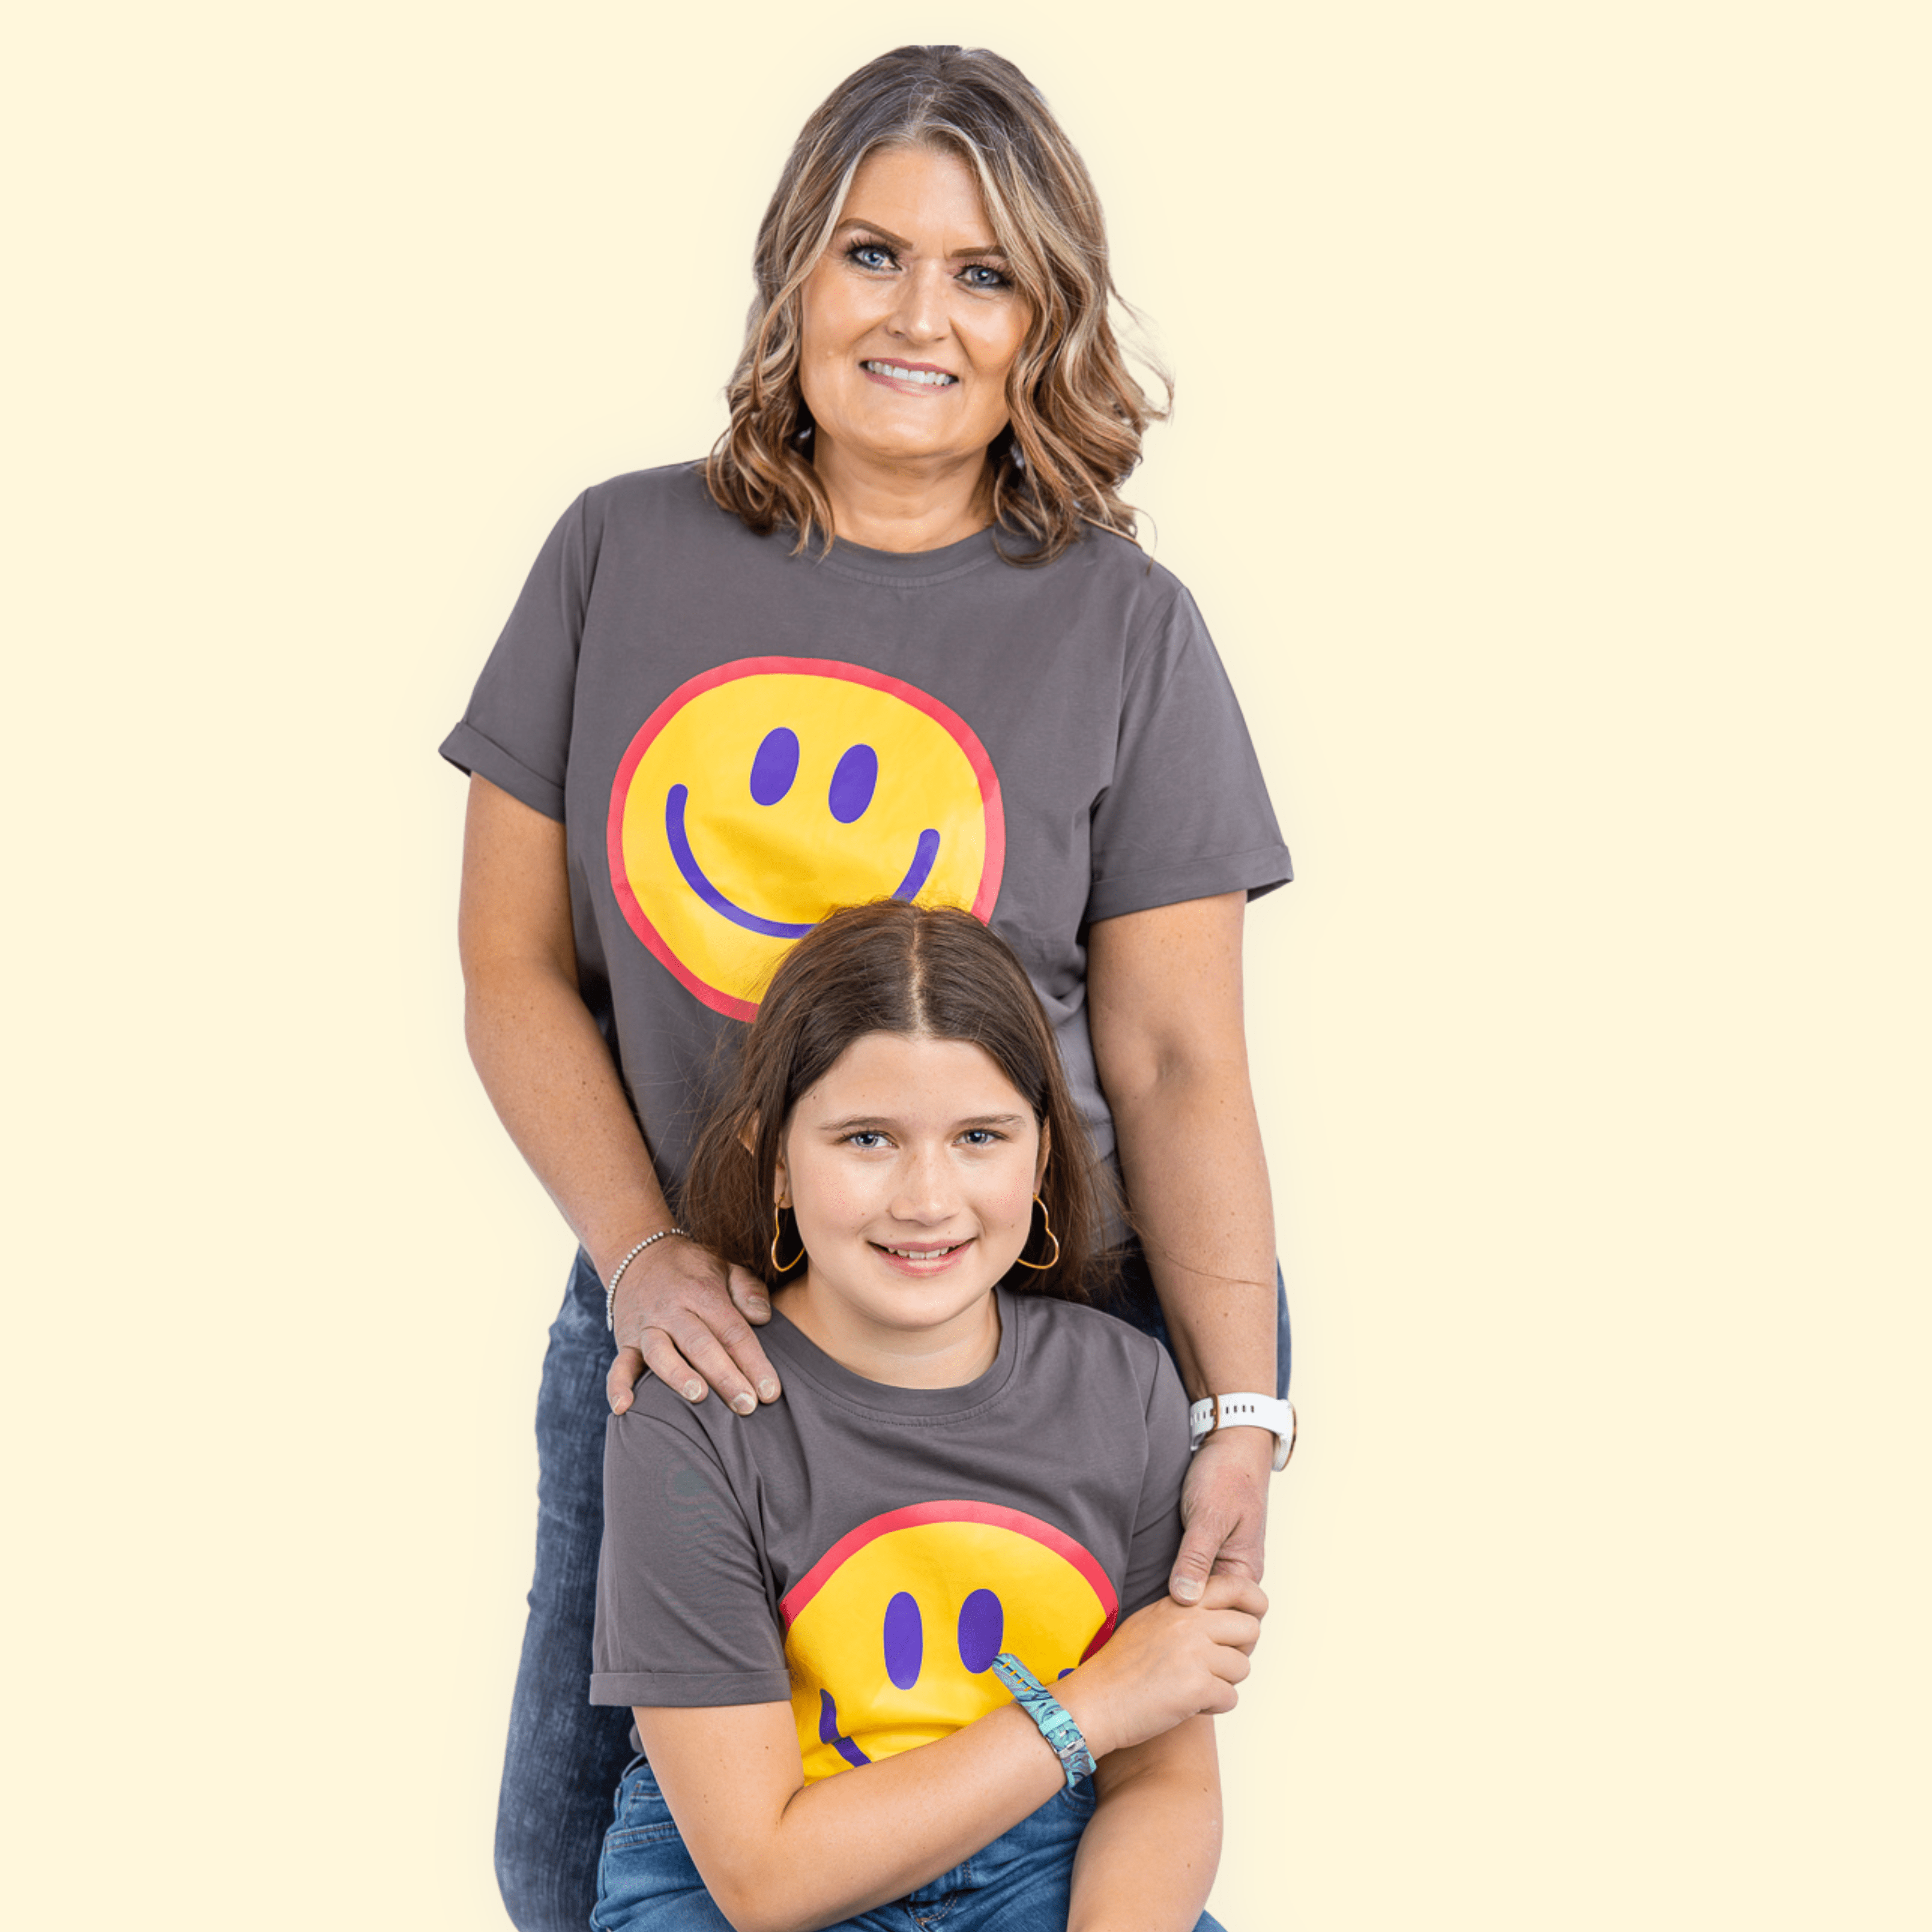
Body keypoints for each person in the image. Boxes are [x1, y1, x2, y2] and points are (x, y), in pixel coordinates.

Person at [445, 44, 1294, 1932]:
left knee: (1065, 1831)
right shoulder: (618, 553)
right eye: (871, 254)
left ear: (1044, 319)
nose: (921, 314)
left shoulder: (1123, 625)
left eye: (983, 274)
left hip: (1029, 1324)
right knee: (568, 1845)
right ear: (792, 279)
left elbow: (1171, 1063)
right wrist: (640, 1250)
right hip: (702, 1332)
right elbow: (512, 967)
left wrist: (1240, 1404)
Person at [590, 900, 1265, 1932]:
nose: (926, 1197)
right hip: (744, 1878)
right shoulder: (692, 1411)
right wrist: (1090, 1705)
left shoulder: (1124, 1387)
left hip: (1046, 1858)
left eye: (979, 1137)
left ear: (1041, 1156)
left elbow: (1161, 1783)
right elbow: (764, 1878)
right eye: (867, 1138)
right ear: (773, 1158)